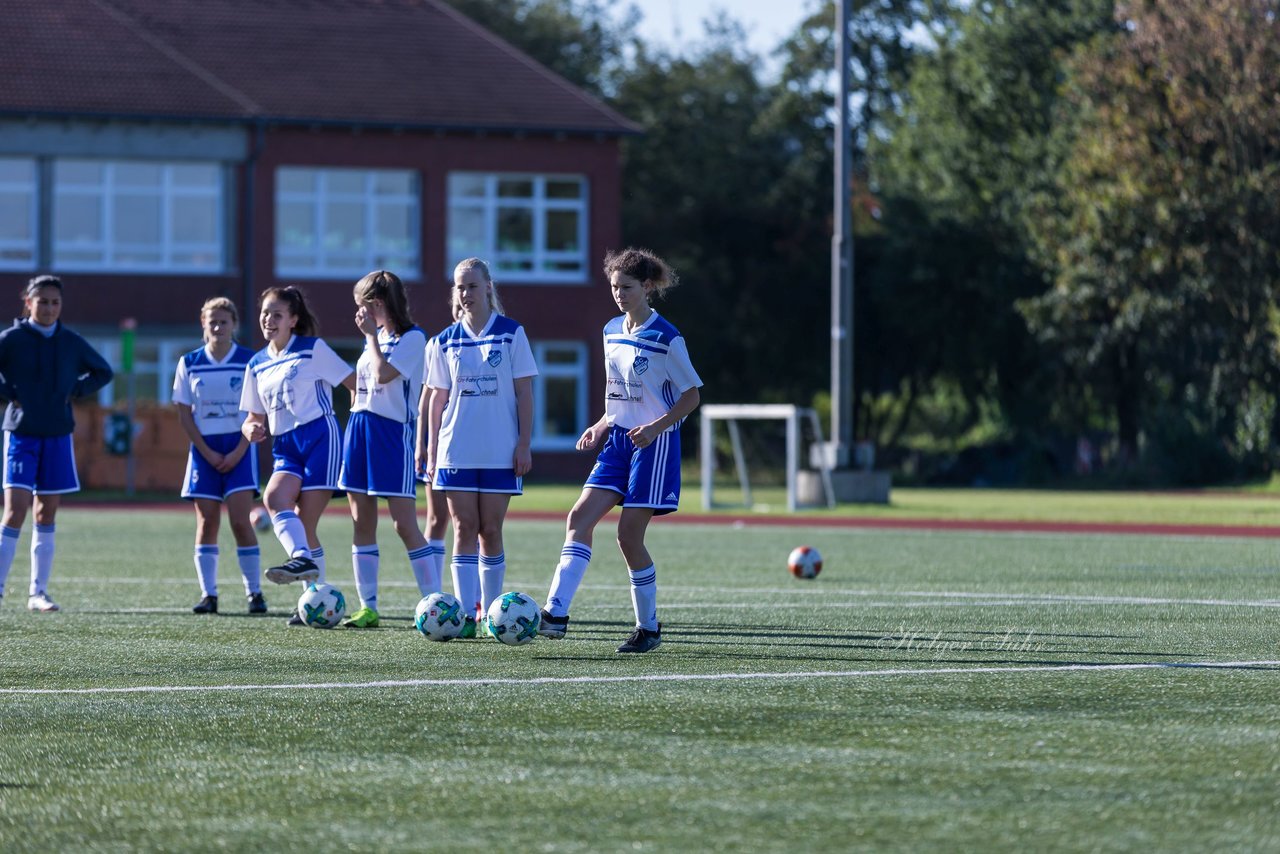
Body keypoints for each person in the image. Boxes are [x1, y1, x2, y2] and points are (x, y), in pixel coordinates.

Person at [539, 248, 702, 653]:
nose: (619, 295)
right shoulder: (611, 330)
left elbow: (691, 396)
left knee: (628, 536)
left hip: (655, 444)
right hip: (618, 441)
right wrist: (600, 424)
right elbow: (617, 396)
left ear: (646, 287)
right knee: (579, 516)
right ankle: (555, 615)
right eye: (614, 287)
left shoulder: (667, 337)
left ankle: (648, 628)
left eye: (626, 288)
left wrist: (656, 427)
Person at [424, 258, 536, 637]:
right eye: (460, 287)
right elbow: (435, 401)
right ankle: (465, 617)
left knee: (490, 528)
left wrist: (524, 443)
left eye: (472, 286)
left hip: (500, 450)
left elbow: (524, 392)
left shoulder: (511, 333)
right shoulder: (444, 340)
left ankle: (492, 615)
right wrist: (428, 449)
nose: (466, 293)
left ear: (488, 287)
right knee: (463, 526)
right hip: (455, 449)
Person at [240, 286, 354, 626]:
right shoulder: (256, 363)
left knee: (306, 521)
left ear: (293, 319)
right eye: (265, 313)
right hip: (285, 445)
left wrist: (364, 428)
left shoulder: (312, 349)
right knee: (275, 497)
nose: (269, 320)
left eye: (277, 314)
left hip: (321, 436)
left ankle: (310, 599)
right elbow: (252, 418)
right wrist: (251, 430)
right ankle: (306, 573)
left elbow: (355, 385)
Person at [0, 275, 113, 612]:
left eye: (55, 302)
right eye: (43, 301)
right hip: (21, 434)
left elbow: (103, 372)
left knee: (46, 511)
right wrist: (11, 394)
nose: (49, 308)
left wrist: (74, 390)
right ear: (28, 302)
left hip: (58, 434)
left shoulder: (71, 342)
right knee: (14, 511)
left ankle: (38, 593)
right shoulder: (12, 339)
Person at [338, 270, 437, 628]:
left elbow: (383, 375)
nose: (359, 315)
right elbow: (362, 383)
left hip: (390, 432)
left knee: (403, 525)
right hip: (359, 427)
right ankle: (368, 607)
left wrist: (370, 340)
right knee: (360, 521)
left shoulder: (413, 338)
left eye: (362, 307)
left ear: (378, 304)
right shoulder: (374, 337)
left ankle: (434, 603)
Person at [172, 297, 266, 615]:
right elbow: (185, 414)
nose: (217, 326)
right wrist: (207, 452)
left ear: (233, 324)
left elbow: (257, 411)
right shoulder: (189, 362)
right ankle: (208, 595)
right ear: (203, 323)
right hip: (204, 452)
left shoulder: (249, 361)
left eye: (223, 321)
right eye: (212, 321)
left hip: (240, 449)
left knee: (241, 522)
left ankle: (254, 594)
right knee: (207, 521)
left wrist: (240, 448)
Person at [414, 331, 450, 613]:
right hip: (440, 445)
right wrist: (421, 444)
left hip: (473, 445)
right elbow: (427, 399)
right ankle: (433, 600)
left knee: (472, 524)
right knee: (436, 517)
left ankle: (477, 603)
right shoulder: (439, 344)